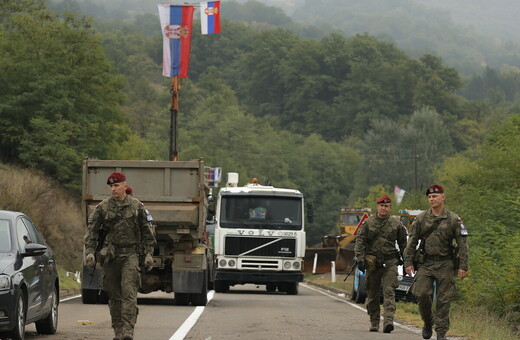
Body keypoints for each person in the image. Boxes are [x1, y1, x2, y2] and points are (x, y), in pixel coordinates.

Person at [84, 172, 156, 340]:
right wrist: (89, 252)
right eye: (111, 186)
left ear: (125, 185)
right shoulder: (103, 207)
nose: (113, 189)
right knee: (114, 295)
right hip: (110, 256)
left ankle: (128, 331)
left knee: (129, 293)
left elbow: (147, 231)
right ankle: (118, 331)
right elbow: (92, 230)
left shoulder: (136, 206)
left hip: (130, 255)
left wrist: (148, 253)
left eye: (116, 186)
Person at [403, 184, 469, 340]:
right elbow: (411, 242)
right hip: (425, 264)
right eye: (429, 197)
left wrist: (463, 266)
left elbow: (462, 244)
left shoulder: (453, 219)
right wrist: (408, 262)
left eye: (435, 196)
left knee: (444, 299)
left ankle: (441, 332)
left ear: (443, 197)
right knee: (421, 293)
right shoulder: (421, 219)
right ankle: (428, 322)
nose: (432, 199)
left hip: (446, 263)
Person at [354, 195, 408, 333]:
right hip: (373, 263)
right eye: (381, 206)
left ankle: (388, 321)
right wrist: (359, 259)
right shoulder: (368, 223)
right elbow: (360, 241)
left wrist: (407, 261)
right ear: (377, 207)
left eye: (386, 206)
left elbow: (403, 244)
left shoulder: (396, 224)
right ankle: (374, 322)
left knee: (389, 291)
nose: (384, 208)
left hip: (390, 262)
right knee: (372, 293)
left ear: (390, 208)